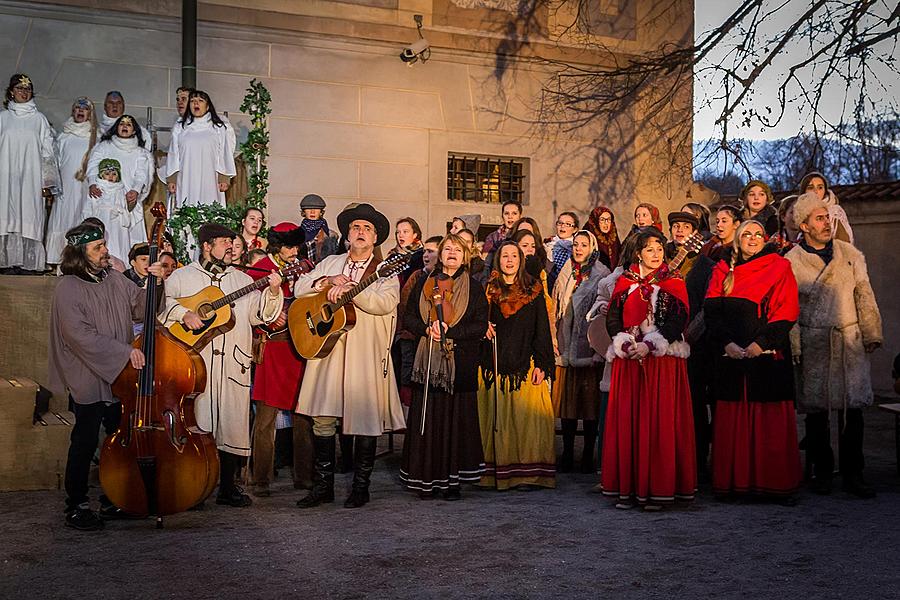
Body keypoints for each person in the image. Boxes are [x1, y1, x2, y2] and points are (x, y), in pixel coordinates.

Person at [47, 222, 164, 530]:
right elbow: (79, 336)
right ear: (79, 253)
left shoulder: (113, 278)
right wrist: (122, 351)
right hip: (87, 372)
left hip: (118, 375)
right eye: (97, 247)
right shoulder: (67, 288)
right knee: (85, 439)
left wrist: (154, 284)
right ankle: (77, 504)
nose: (105, 251)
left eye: (103, 245)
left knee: (119, 439)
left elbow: (141, 309)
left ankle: (117, 498)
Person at [162, 223, 284, 507]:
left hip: (234, 362)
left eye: (233, 242)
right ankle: (197, 487)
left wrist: (274, 293)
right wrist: (184, 313)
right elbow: (162, 304)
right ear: (206, 245)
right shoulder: (182, 276)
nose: (231, 247)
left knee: (232, 424)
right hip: (197, 363)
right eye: (224, 242)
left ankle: (228, 487)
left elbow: (259, 315)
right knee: (197, 423)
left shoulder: (242, 280)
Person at [293, 203, 405, 509]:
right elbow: (300, 286)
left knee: (365, 419)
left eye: (367, 229)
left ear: (376, 238)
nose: (360, 232)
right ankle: (322, 486)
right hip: (327, 350)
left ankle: (360, 487)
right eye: (356, 227)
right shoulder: (330, 262)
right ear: (346, 234)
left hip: (363, 352)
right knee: (322, 418)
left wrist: (355, 289)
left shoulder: (384, 272)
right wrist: (327, 282)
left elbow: (386, 303)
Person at [785, 193, 882, 498]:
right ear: (804, 225)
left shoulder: (850, 253)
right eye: (819, 218)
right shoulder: (791, 261)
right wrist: (795, 345)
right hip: (815, 343)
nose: (826, 223)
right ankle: (822, 472)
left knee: (853, 413)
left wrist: (871, 332)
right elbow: (789, 310)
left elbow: (864, 294)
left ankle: (854, 473)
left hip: (849, 342)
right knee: (817, 415)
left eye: (827, 217)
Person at [704, 219, 802, 503]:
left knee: (768, 422)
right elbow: (712, 313)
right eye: (747, 234)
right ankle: (735, 483)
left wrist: (762, 343)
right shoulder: (721, 270)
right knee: (733, 420)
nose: (753, 238)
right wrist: (727, 343)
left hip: (767, 357)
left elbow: (787, 310)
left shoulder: (779, 267)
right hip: (731, 357)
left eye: (758, 234)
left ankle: (774, 484)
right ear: (738, 238)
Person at [601, 227, 695, 510]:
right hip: (630, 361)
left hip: (661, 362)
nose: (655, 255)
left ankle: (659, 489)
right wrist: (624, 342)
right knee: (630, 422)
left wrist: (652, 343)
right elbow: (613, 318)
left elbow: (679, 319)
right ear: (639, 253)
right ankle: (629, 488)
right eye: (650, 250)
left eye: (659, 250)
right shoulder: (624, 281)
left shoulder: (673, 281)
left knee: (659, 422)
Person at [401, 234, 488, 499]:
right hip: (426, 362)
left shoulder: (474, 287)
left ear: (466, 255)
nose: (451, 253)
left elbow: (479, 325)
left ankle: (451, 482)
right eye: (447, 248)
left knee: (454, 425)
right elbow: (409, 317)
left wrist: (451, 331)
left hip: (458, 365)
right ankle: (426, 479)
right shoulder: (424, 282)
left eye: (457, 249)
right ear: (440, 254)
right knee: (429, 423)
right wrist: (427, 328)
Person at [478, 241, 556, 490]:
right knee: (494, 422)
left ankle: (527, 475)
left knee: (526, 422)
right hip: (493, 364)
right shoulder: (488, 289)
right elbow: (476, 319)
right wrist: (482, 326)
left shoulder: (533, 288)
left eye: (514, 256)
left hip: (526, 362)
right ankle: (492, 474)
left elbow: (542, 328)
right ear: (498, 260)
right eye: (504, 256)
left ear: (521, 260)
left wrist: (542, 364)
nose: (509, 260)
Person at [248, 222, 315, 497]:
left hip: (300, 348)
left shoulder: (305, 268)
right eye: (289, 246)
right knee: (265, 418)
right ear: (277, 247)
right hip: (273, 349)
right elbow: (249, 310)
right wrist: (270, 316)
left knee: (303, 416)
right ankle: (261, 478)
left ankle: (305, 476)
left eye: (296, 246)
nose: (293, 251)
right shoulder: (259, 268)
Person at [551, 229, 611, 473]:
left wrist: (599, 346)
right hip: (566, 345)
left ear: (592, 247)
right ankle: (566, 452)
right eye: (576, 244)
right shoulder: (566, 271)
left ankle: (587, 453)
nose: (578, 249)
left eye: (583, 245)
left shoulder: (601, 274)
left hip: (588, 347)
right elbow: (555, 305)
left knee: (588, 405)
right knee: (567, 405)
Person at [666, 211, 714, 477]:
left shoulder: (705, 266)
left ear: (695, 232)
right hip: (664, 343)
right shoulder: (662, 259)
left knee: (695, 404)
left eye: (685, 226)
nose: (680, 230)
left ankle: (698, 461)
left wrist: (690, 335)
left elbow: (708, 305)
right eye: (676, 226)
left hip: (695, 345)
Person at [0, 73, 58, 273]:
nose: (24, 92)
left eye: (27, 89)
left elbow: (47, 152)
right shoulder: (3, 118)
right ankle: (5, 262)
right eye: (19, 88)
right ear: (11, 92)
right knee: (5, 217)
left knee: (29, 218)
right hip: (5, 179)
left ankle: (28, 264)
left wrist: (47, 183)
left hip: (31, 179)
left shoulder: (39, 119)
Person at [86, 115, 153, 250]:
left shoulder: (140, 152)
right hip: (105, 198)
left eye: (128, 125)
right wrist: (93, 183)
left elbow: (142, 174)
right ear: (116, 127)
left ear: (134, 131)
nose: (124, 126)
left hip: (127, 199)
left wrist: (135, 190)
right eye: (121, 123)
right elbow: (93, 166)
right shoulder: (104, 147)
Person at [46, 97, 98, 264]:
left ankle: (82, 259)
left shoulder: (96, 136)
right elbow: (55, 162)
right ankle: (58, 258)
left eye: (85, 109)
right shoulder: (64, 136)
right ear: (72, 111)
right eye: (77, 108)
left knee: (81, 217)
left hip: (85, 188)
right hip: (66, 188)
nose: (80, 111)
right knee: (63, 217)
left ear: (90, 113)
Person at [166, 90, 236, 209]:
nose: (196, 104)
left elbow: (224, 152)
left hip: (210, 178)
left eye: (200, 101)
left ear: (207, 106)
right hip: (187, 177)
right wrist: (172, 178)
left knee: (209, 207)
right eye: (192, 101)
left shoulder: (218, 127)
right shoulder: (180, 127)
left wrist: (224, 177)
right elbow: (174, 153)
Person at [396, 235, 442, 406]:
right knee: (409, 377)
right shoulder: (416, 277)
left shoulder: (447, 279)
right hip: (411, 336)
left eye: (431, 251)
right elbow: (404, 305)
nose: (425, 256)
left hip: (436, 340)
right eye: (424, 251)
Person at [81, 159, 138, 262]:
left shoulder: (121, 189)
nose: (111, 177)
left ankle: (120, 264)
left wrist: (130, 203)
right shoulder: (97, 189)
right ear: (102, 175)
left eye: (114, 174)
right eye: (107, 174)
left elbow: (126, 208)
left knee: (118, 243)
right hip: (102, 220)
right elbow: (89, 207)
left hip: (118, 224)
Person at [798, 171, 853, 244]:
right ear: (804, 192)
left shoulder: (834, 211)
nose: (816, 191)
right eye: (810, 188)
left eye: (820, 187)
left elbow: (843, 242)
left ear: (825, 190)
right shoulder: (799, 213)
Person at [299, 193, 340, 262]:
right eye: (309, 209)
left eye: (316, 209)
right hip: (304, 271)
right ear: (304, 212)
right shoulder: (297, 234)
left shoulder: (331, 235)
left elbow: (335, 258)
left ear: (321, 212)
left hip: (325, 271)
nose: (312, 212)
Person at [545, 211, 579, 291]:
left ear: (575, 229)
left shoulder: (576, 248)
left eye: (568, 224)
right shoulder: (548, 245)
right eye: (560, 223)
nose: (563, 226)